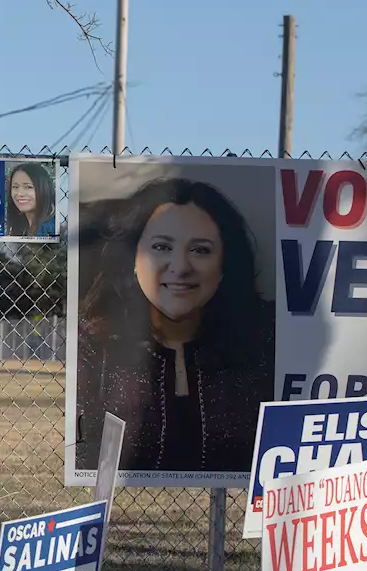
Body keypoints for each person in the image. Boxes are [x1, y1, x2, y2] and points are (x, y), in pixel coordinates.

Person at [76, 177, 273, 473]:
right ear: (133, 258)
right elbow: (83, 455)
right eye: (161, 247)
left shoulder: (265, 338)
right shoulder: (93, 345)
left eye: (201, 250)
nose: (180, 267)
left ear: (224, 265)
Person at [5, 162, 57, 237]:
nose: (20, 193)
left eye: (28, 187)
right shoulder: (21, 225)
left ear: (43, 189)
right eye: (15, 187)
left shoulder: (50, 228)